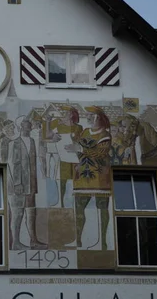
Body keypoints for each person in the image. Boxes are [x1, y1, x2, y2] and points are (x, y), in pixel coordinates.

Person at [65, 106, 111, 250]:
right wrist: (73, 150)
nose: (89, 118)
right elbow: (79, 149)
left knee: (101, 208)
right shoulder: (85, 132)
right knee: (78, 208)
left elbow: (100, 153)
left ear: (99, 117)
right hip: (83, 174)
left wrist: (80, 149)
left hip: (99, 175)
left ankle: (102, 242)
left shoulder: (105, 135)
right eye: (88, 115)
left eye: (92, 115)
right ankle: (77, 240)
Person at [7, 117, 47, 250]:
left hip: (30, 184)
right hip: (18, 185)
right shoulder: (15, 143)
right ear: (20, 126)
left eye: (29, 123)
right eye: (26, 123)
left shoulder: (31, 141)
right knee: (17, 213)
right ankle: (16, 242)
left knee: (31, 211)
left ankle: (33, 240)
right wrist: (17, 183)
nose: (29, 124)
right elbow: (14, 165)